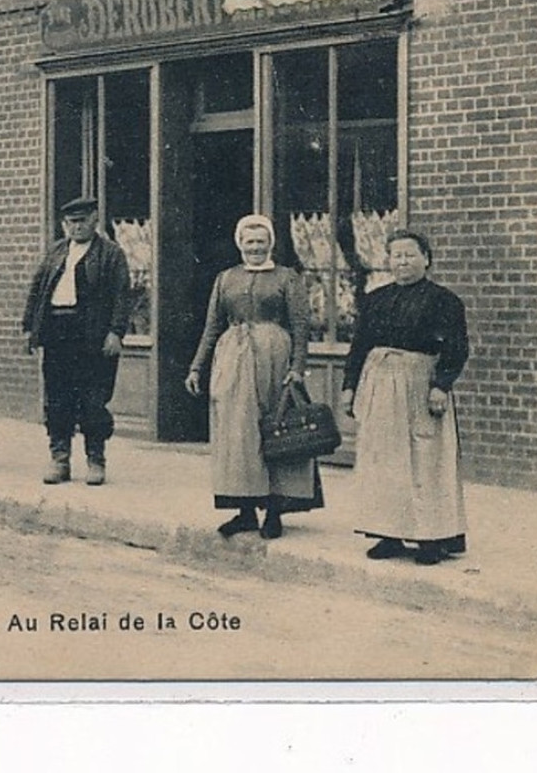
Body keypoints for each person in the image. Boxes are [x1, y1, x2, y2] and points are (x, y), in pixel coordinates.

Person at [184, 214, 322, 539]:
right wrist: (196, 367)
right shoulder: (226, 279)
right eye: (250, 242)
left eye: (261, 241)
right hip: (232, 360)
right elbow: (212, 326)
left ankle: (274, 512)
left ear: (271, 243)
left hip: (275, 357)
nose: (256, 247)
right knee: (238, 435)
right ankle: (245, 511)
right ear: (240, 244)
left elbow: (301, 327)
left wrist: (297, 368)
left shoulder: (287, 278)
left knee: (275, 432)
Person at [340, 229, 470, 566]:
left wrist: (441, 385)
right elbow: (359, 348)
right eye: (396, 255)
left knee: (426, 460)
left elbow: (456, 347)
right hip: (379, 385)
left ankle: (431, 539)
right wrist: (349, 387)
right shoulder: (375, 299)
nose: (402, 261)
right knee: (385, 461)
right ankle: (389, 534)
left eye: (410, 254)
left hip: (421, 387)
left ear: (426, 259)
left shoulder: (444, 300)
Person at [21, 197, 132, 486]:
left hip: (92, 336)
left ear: (95, 220)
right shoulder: (56, 252)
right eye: (71, 222)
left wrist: (116, 332)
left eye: (82, 221)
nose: (77, 227)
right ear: (63, 225)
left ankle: (96, 459)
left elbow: (122, 295)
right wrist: (29, 329)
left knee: (93, 399)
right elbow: (37, 290)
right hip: (58, 332)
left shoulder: (110, 254)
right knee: (57, 398)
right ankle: (60, 459)